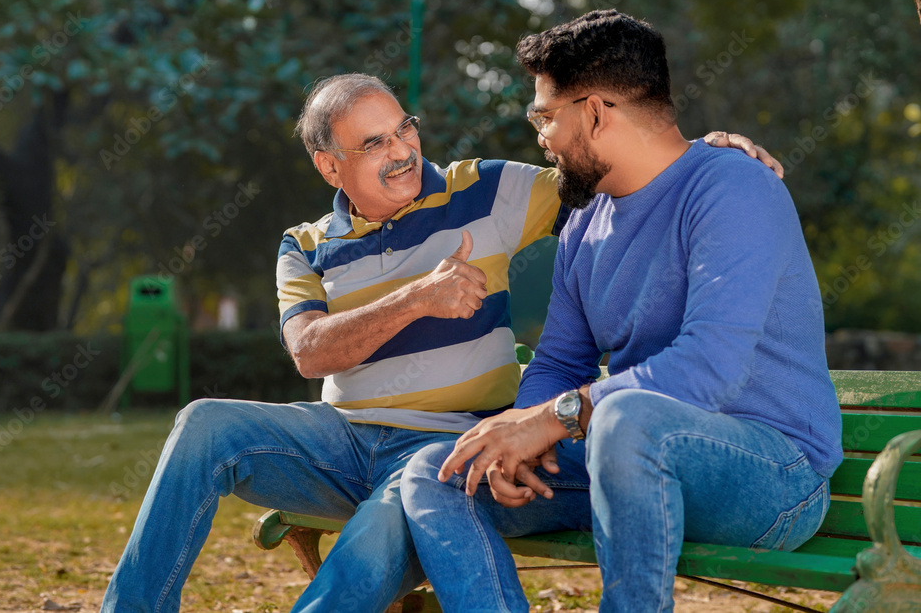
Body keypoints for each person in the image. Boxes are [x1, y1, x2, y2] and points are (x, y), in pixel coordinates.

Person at [100, 71, 781, 613]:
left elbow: (609, 172)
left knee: (374, 540)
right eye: (373, 144)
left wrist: (699, 155)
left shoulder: (486, 190)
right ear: (328, 166)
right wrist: (417, 298)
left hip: (447, 442)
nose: (401, 152)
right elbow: (310, 352)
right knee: (202, 423)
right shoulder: (305, 245)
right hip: (338, 439)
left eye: (403, 130)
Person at [400, 10, 843, 613]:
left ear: (594, 112)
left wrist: (552, 418)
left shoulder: (733, 189)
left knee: (628, 420)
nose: (541, 138)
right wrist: (521, 433)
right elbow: (560, 357)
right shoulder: (585, 220)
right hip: (626, 454)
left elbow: (711, 367)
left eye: (545, 117)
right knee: (443, 471)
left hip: (772, 474)